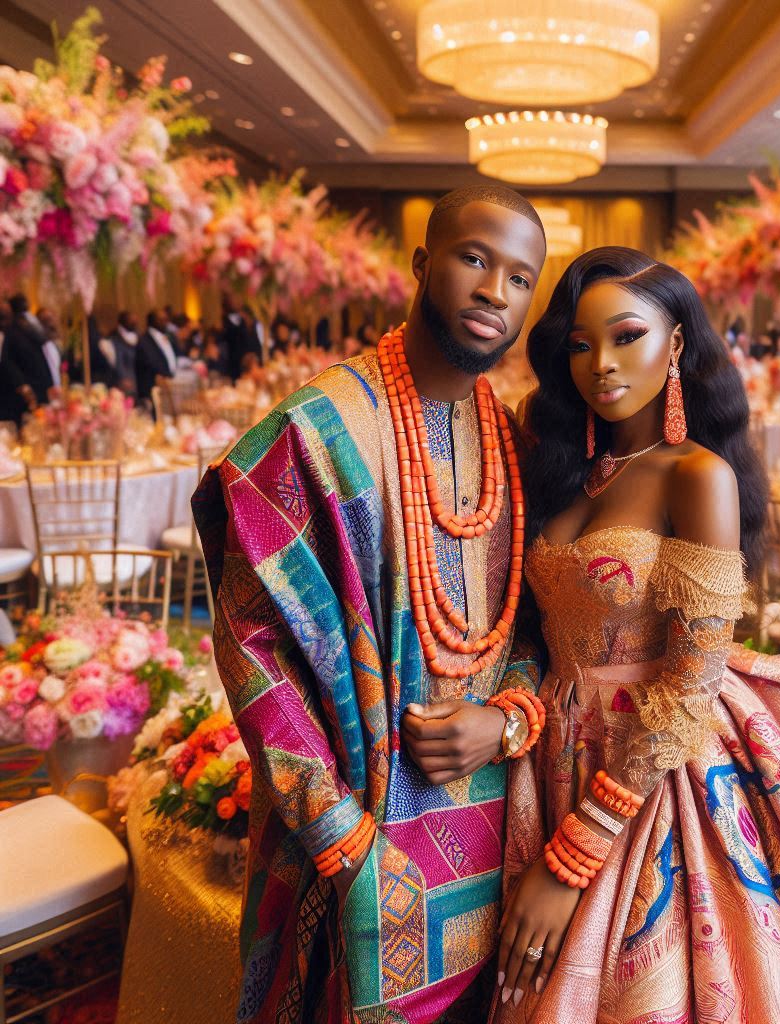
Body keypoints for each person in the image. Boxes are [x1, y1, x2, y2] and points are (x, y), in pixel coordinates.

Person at [492, 247, 780, 1023]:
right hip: (550, 756)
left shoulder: (698, 476)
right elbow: (537, 629)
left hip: (655, 769)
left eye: (627, 336)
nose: (602, 364)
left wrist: (577, 853)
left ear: (678, 343)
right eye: (580, 346)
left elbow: (692, 683)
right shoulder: (566, 466)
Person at [193, 185, 548, 1024]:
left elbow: (539, 627)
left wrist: (502, 722)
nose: (497, 291)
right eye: (474, 259)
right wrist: (339, 836)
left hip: (497, 825)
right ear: (423, 264)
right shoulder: (319, 430)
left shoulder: (513, 441)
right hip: (357, 836)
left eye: (521, 278)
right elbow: (252, 643)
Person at [136, 309, 178, 405]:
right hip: (154, 388)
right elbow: (152, 362)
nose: (166, 322)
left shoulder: (166, 336)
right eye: (162, 320)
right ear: (153, 322)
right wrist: (167, 375)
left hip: (167, 386)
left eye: (166, 319)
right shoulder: (145, 341)